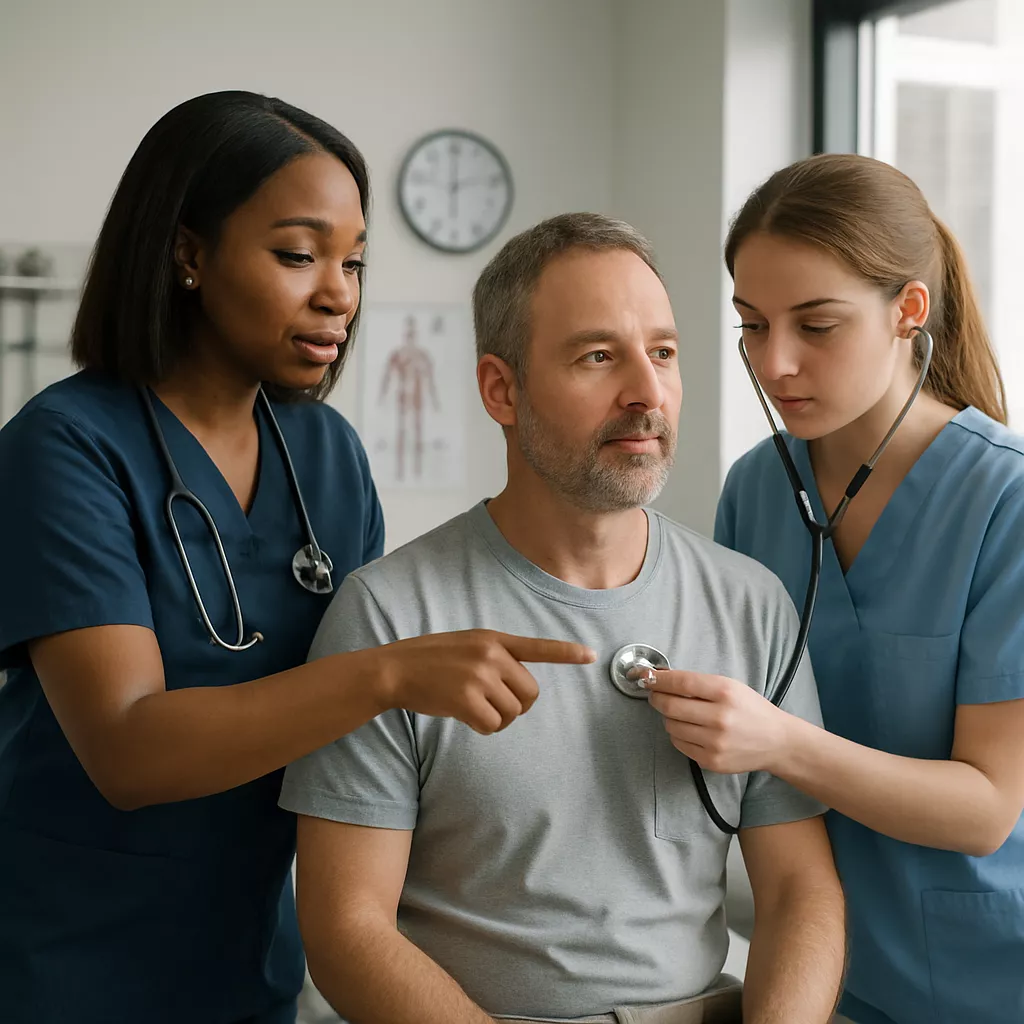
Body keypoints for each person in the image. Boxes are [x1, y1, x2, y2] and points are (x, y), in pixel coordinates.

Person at [0, 92, 594, 1024]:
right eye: (297, 254)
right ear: (189, 254)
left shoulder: (325, 453)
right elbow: (128, 750)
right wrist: (393, 673)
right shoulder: (66, 446)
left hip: (253, 960)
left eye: (354, 262)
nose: (340, 293)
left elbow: (357, 744)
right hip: (64, 964)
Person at [279, 213, 847, 1024]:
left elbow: (800, 889)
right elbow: (345, 928)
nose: (646, 394)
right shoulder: (389, 619)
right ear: (500, 389)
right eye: (597, 356)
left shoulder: (748, 602)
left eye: (663, 353)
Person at [650, 153, 1024, 1024]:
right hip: (822, 975)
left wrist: (776, 741)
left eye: (816, 326)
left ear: (908, 312)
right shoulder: (757, 488)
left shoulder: (1004, 503)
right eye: (752, 324)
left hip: (992, 979)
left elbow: (987, 811)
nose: (776, 363)